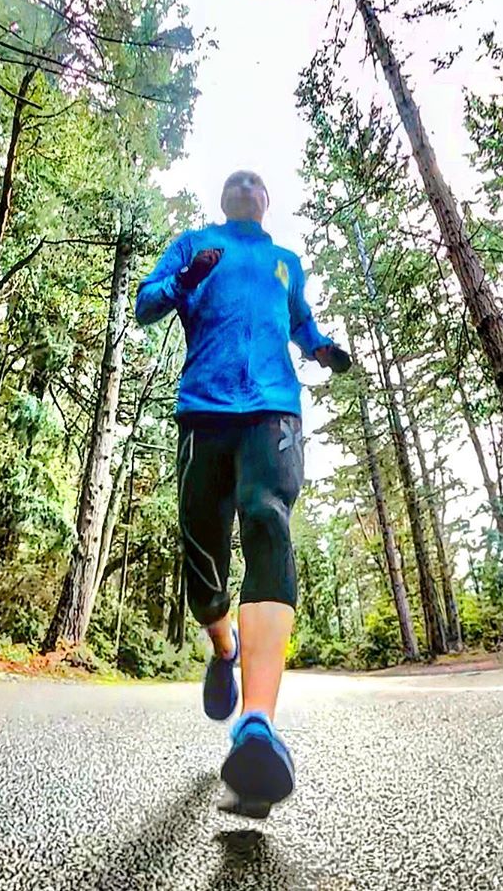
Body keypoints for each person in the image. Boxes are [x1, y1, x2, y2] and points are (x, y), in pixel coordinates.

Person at [135, 169, 350, 811]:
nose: (247, 183)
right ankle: (223, 647)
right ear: (225, 199)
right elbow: (148, 304)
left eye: (257, 181)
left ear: (268, 201)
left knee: (267, 519)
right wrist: (187, 277)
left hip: (273, 411)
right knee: (201, 552)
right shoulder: (196, 242)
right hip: (204, 411)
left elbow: (302, 325)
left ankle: (257, 724)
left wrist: (323, 348)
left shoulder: (287, 262)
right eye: (236, 179)